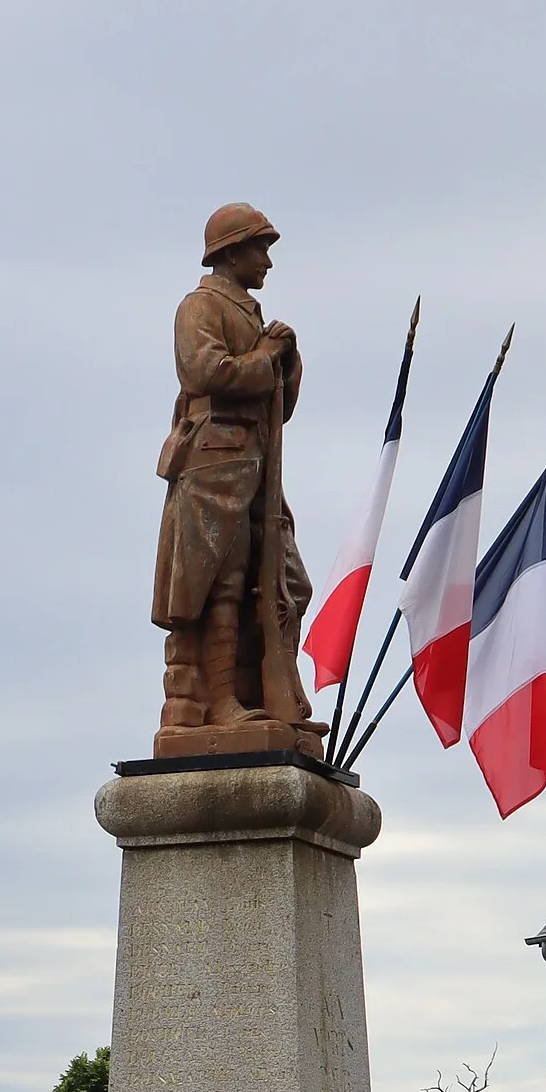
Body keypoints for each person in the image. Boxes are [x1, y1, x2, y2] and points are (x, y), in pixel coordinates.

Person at [151, 204, 318, 747]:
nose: (267, 261)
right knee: (221, 582)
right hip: (213, 462)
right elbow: (206, 371)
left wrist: (286, 363)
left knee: (285, 583)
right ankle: (219, 702)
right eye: (259, 248)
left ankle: (274, 697)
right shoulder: (199, 307)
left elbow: (278, 407)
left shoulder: (252, 316)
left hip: (253, 467)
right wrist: (266, 356)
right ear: (230, 252)